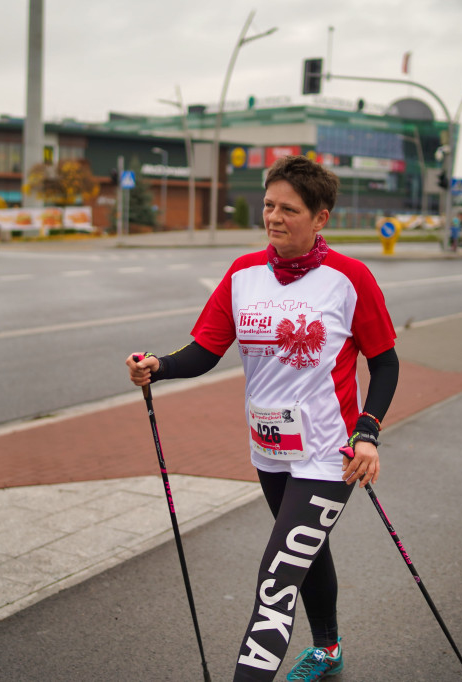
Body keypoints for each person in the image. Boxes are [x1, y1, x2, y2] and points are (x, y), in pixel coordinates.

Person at [126, 155, 399, 682]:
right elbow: (205, 350)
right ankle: (328, 649)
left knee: (277, 575)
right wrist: (158, 367)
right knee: (304, 551)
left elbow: (384, 361)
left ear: (320, 218)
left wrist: (368, 432)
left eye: (288, 209)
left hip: (329, 453)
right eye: (269, 205)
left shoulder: (349, 279)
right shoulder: (243, 273)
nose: (273, 217)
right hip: (269, 448)